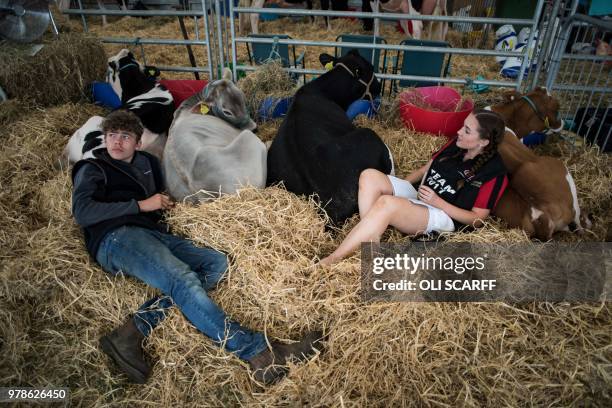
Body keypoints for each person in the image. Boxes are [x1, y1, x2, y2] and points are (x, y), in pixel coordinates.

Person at [71, 110, 322, 385]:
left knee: (216, 263)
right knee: (183, 279)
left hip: (152, 234)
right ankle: (258, 353)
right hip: (116, 239)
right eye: (111, 136)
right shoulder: (92, 168)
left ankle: (132, 331)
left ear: (138, 142)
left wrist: (164, 205)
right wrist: (142, 205)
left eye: (124, 136)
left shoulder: (147, 164)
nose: (116, 142)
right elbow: (83, 212)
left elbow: (156, 201)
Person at [320, 109, 508, 265]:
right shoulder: (456, 144)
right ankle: (371, 238)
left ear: (483, 142)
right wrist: (400, 186)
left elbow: (477, 220)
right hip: (422, 195)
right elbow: (426, 168)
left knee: (386, 203)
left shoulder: (494, 174)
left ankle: (334, 258)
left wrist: (438, 202)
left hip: (445, 216)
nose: (459, 131)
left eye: (467, 130)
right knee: (369, 176)